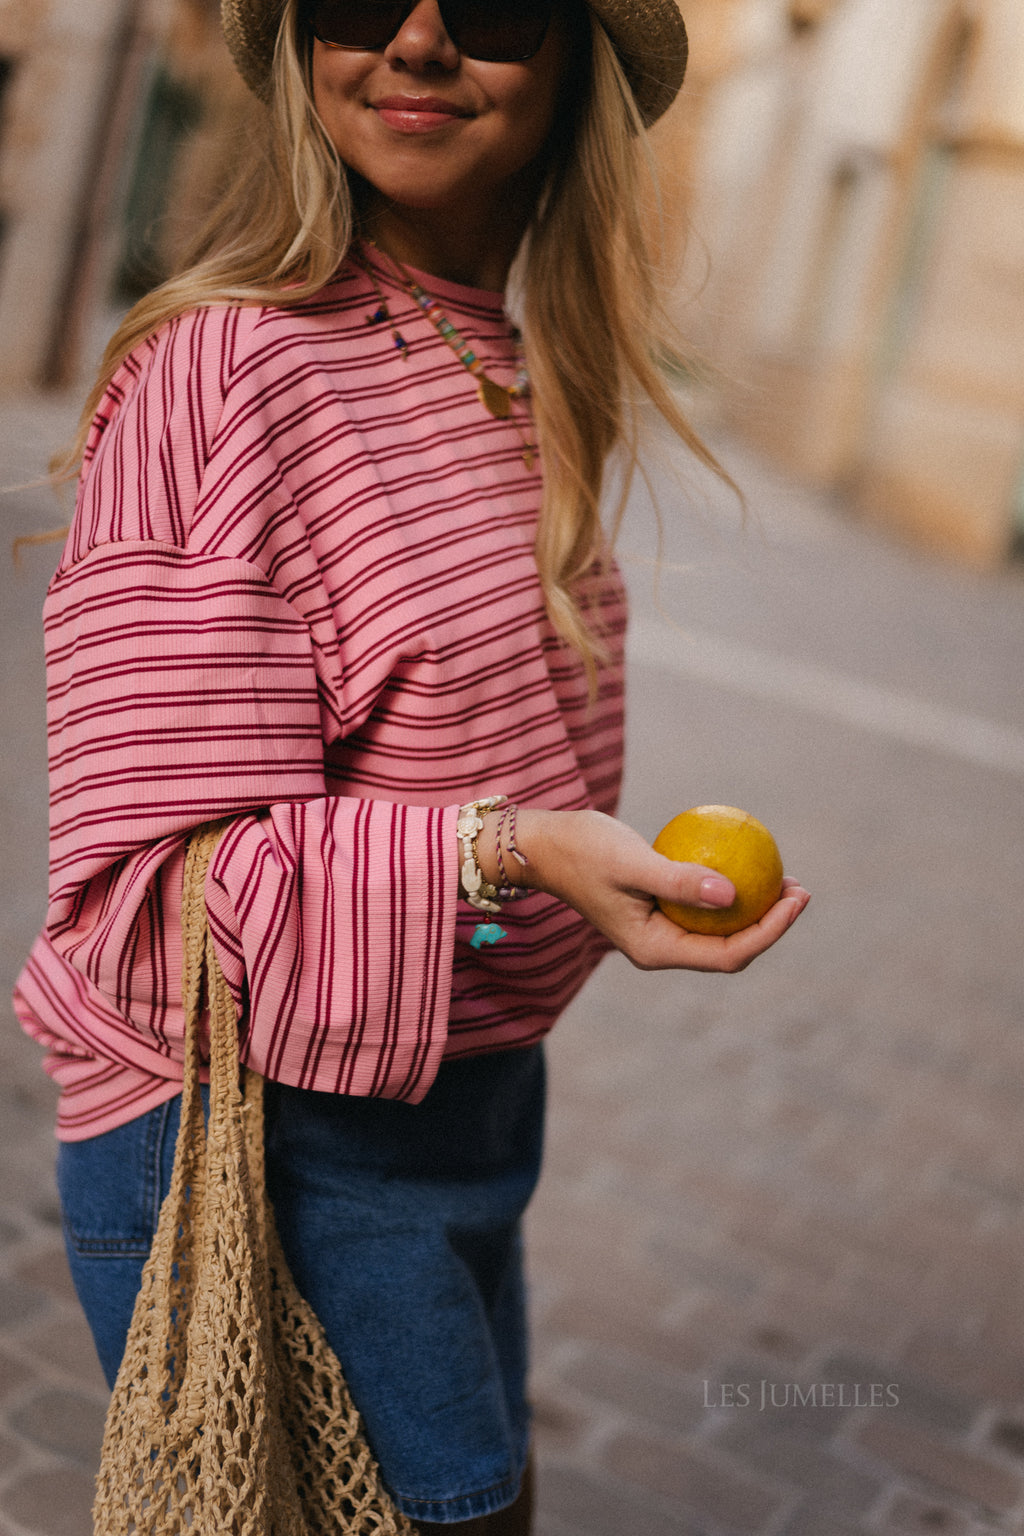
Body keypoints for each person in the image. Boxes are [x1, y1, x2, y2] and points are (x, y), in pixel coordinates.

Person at [13, 0, 810, 1530]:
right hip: (264, 1139)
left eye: (495, 3)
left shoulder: (507, 358)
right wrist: (513, 849)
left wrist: (554, 870)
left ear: (573, 58)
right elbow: (145, 907)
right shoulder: (229, 372)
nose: (422, 40)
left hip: (473, 1116)